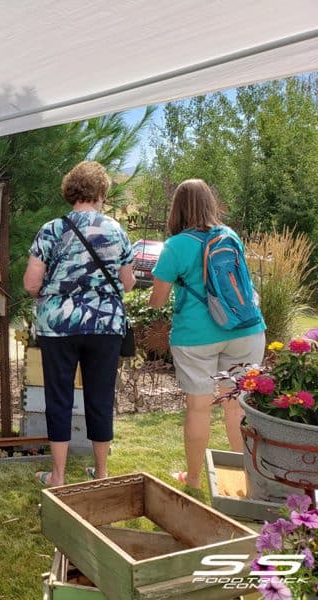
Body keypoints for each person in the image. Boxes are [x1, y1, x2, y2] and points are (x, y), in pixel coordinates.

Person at [23, 161, 135, 487]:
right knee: (100, 397)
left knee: (59, 397)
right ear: (101, 192)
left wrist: (58, 290)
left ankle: (57, 476)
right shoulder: (115, 230)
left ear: (71, 191)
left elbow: (31, 284)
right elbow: (127, 284)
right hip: (105, 328)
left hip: (58, 327)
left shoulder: (51, 230)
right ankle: (101, 473)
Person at [149, 179, 265, 489]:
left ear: (178, 208)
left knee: (199, 408)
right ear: (209, 203)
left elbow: (156, 300)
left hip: (196, 337)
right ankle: (247, 480)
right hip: (245, 329)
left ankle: (195, 480)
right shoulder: (230, 235)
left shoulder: (175, 245)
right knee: (236, 405)